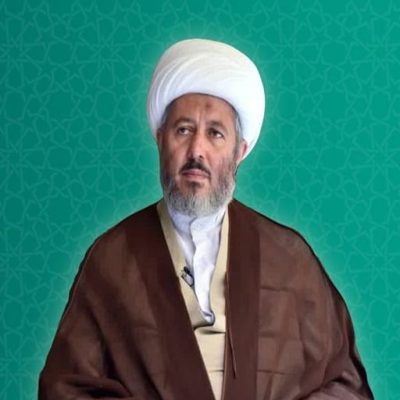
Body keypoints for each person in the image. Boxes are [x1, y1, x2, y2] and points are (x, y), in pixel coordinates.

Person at [39, 39, 373, 400]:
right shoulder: (112, 258)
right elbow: (66, 389)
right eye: (183, 130)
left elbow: (345, 385)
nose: (197, 149)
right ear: (160, 139)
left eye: (215, 133)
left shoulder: (289, 257)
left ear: (239, 151)